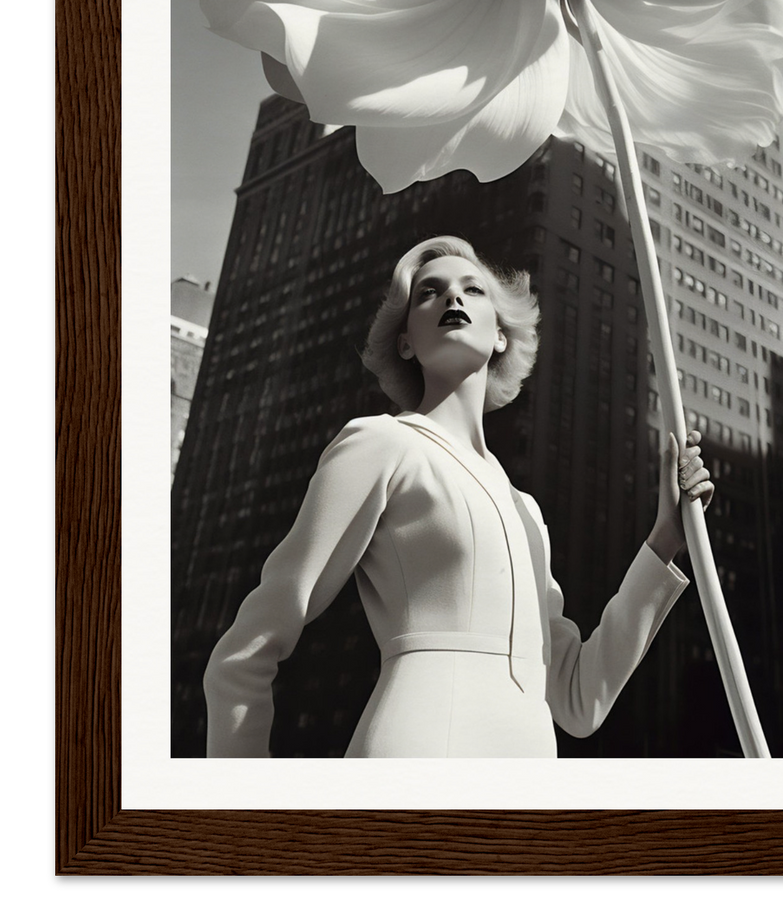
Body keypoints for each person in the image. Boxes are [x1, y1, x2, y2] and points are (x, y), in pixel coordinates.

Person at [204, 235, 713, 758]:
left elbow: (578, 701)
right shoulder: (382, 443)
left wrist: (665, 538)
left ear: (500, 336)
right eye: (430, 292)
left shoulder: (525, 509)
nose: (453, 299)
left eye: (473, 290)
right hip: (417, 752)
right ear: (405, 342)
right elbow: (246, 653)